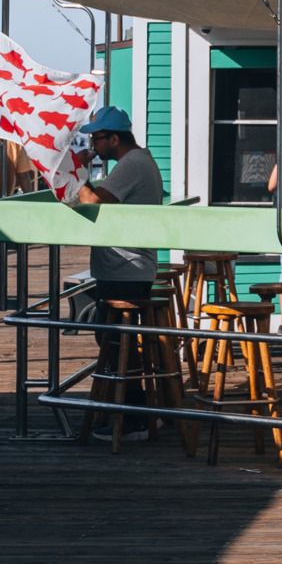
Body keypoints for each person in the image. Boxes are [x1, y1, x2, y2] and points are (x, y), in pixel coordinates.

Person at [68, 104, 166, 443]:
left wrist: (75, 173)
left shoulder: (131, 164)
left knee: (115, 342)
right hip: (133, 265)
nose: (93, 145)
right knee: (116, 341)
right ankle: (140, 410)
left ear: (113, 138)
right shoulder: (140, 161)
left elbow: (95, 201)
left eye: (96, 139)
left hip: (127, 267)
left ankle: (134, 416)